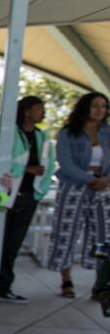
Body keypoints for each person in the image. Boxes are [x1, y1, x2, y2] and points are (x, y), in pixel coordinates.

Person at [47, 91, 110, 298]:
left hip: (103, 189)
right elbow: (65, 163)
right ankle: (66, 280)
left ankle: (100, 284)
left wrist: (105, 181)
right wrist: (90, 180)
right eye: (95, 106)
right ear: (84, 107)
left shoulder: (108, 133)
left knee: (102, 235)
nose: (100, 110)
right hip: (74, 187)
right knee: (67, 233)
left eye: (104, 106)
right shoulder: (68, 133)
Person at [0, 96, 57, 302]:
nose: (43, 113)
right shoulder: (10, 134)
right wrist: (26, 170)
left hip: (29, 196)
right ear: (26, 111)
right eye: (39, 109)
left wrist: (40, 190)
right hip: (6, 196)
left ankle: (4, 286)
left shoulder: (43, 137)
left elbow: (49, 165)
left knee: (13, 245)